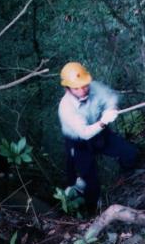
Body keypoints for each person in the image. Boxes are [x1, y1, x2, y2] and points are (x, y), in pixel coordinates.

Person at [58, 62, 138, 213]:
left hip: (100, 134)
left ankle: (127, 180)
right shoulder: (66, 108)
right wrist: (104, 121)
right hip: (78, 143)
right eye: (77, 88)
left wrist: (111, 108)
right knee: (91, 184)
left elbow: (111, 97)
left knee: (130, 153)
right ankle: (91, 213)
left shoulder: (93, 87)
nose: (82, 90)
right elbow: (84, 133)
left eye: (84, 85)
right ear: (67, 88)